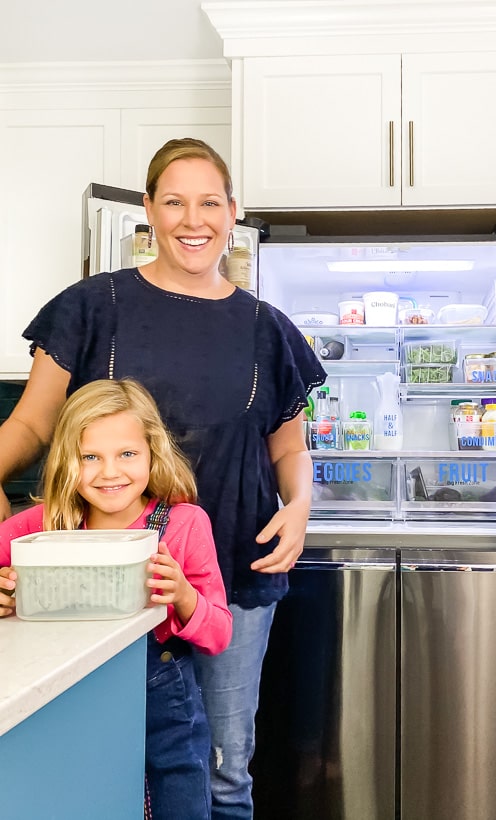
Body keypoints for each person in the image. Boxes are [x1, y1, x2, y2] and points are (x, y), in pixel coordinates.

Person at [0, 137, 326, 819]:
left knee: (223, 769)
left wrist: (300, 503)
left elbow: (288, 448)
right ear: (148, 210)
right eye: (173, 202)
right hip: (100, 585)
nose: (192, 219)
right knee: (110, 767)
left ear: (232, 211)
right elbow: (29, 428)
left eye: (209, 202)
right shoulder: (92, 307)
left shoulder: (268, 329)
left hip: (234, 571)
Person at [0, 378, 233, 820]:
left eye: (127, 454)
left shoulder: (184, 525)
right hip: (74, 710)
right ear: (68, 460)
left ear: (152, 452)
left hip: (169, 720)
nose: (110, 472)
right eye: (90, 457)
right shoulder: (40, 527)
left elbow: (219, 634)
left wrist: (183, 595)